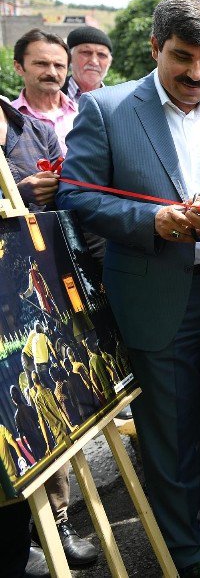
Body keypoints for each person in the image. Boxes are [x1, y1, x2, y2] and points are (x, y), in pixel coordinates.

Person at [57, 0, 200, 577]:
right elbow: (77, 195)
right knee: (169, 431)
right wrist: (153, 221)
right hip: (155, 293)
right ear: (155, 48)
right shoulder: (107, 109)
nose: (198, 75)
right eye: (183, 59)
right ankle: (186, 551)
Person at [1, 96, 99, 569]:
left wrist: (53, 193)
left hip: (27, 301)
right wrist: (12, 196)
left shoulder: (32, 128)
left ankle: (53, 522)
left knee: (43, 413)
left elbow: (67, 201)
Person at [11, 29, 77, 153]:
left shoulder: (82, 116)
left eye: (59, 66)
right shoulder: (6, 118)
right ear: (18, 67)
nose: (51, 73)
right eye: (41, 64)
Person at [63, 26, 114, 103]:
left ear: (109, 62)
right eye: (86, 52)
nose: (94, 61)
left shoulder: (117, 101)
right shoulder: (50, 92)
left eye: (101, 55)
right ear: (70, 57)